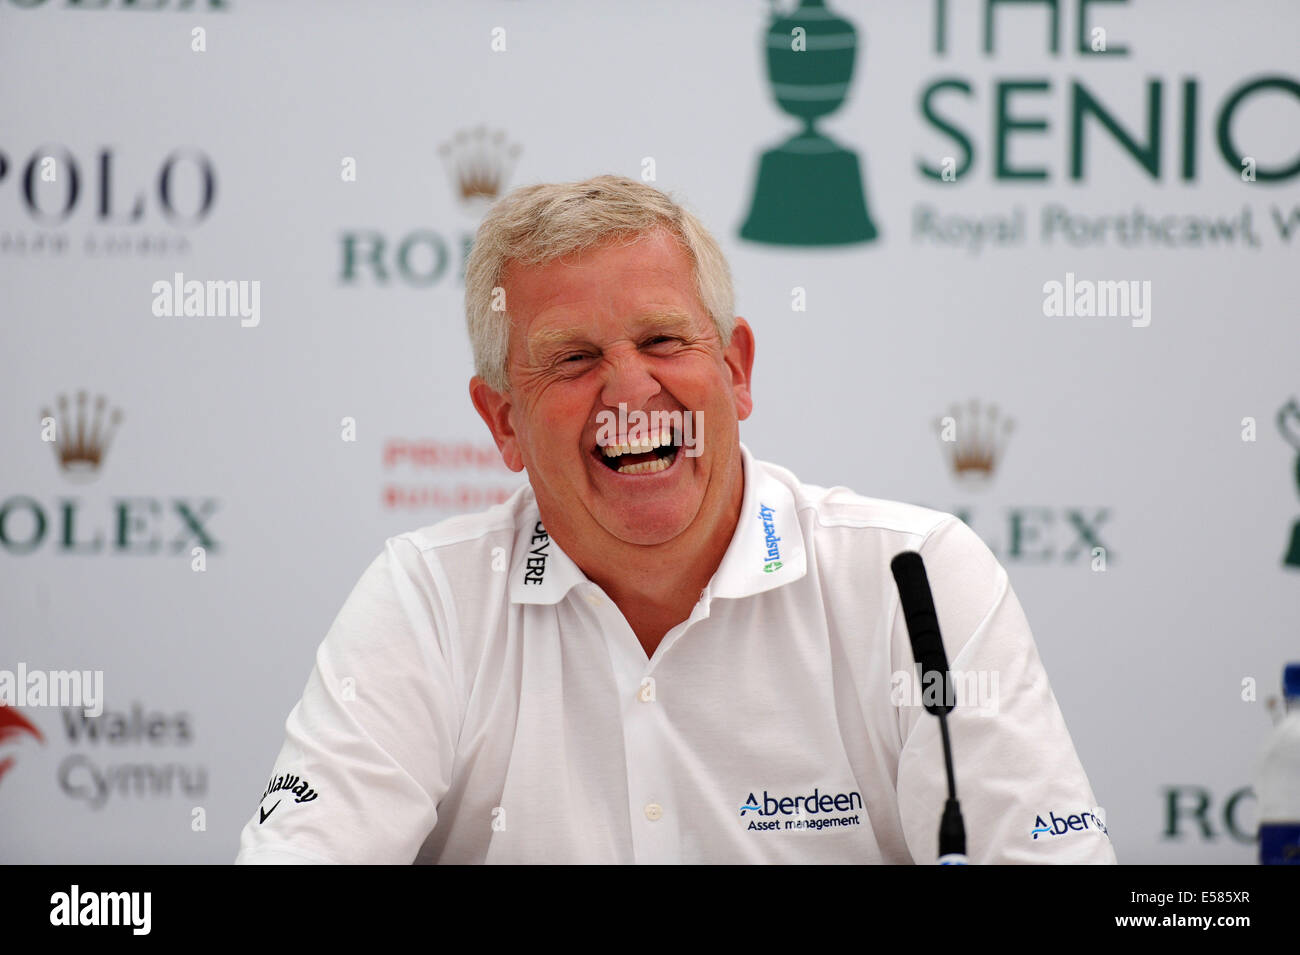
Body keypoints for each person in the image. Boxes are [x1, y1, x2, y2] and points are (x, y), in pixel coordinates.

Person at [235, 175, 1115, 864]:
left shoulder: (912, 578)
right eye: (574, 358)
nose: (629, 390)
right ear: (504, 420)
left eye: (662, 341)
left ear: (735, 369)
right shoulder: (428, 601)